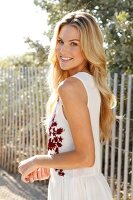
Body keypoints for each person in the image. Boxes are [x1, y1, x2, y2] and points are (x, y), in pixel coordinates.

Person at [18, 10, 117, 199]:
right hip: (85, 187)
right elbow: (75, 151)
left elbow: (86, 157)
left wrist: (36, 160)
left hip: (74, 191)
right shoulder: (89, 83)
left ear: (89, 48)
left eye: (74, 44)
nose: (63, 50)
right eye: (60, 41)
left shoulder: (71, 86)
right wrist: (50, 165)